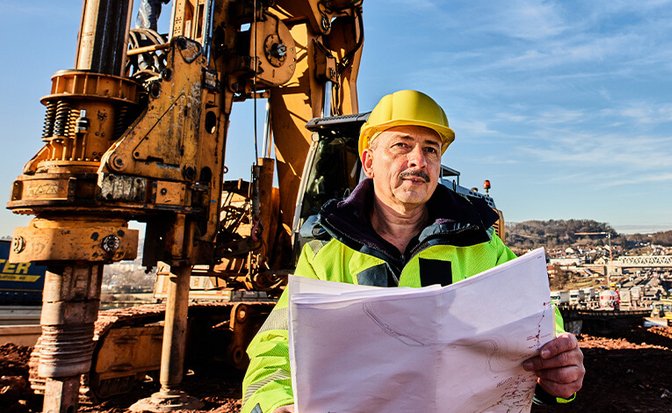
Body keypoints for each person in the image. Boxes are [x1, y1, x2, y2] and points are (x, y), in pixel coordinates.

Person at [241, 90, 584, 413]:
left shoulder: (482, 246)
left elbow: (535, 324)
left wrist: (558, 365)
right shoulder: (324, 255)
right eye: (402, 146)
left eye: (431, 149)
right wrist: (274, 404)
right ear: (369, 161)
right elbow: (275, 353)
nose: (418, 160)